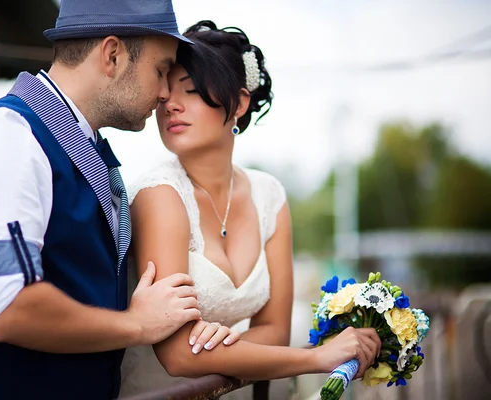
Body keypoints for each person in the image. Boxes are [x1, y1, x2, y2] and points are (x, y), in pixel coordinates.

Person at [0, 1, 208, 399]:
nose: (166, 92)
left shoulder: (82, 148)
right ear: (112, 54)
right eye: (162, 70)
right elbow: (8, 306)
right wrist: (137, 324)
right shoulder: (2, 139)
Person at [120, 20, 381, 397]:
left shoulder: (268, 195)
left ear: (240, 103)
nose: (171, 106)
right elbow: (178, 354)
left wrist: (219, 343)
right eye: (163, 98)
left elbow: (274, 328)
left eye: (191, 91)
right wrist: (317, 358)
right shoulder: (159, 195)